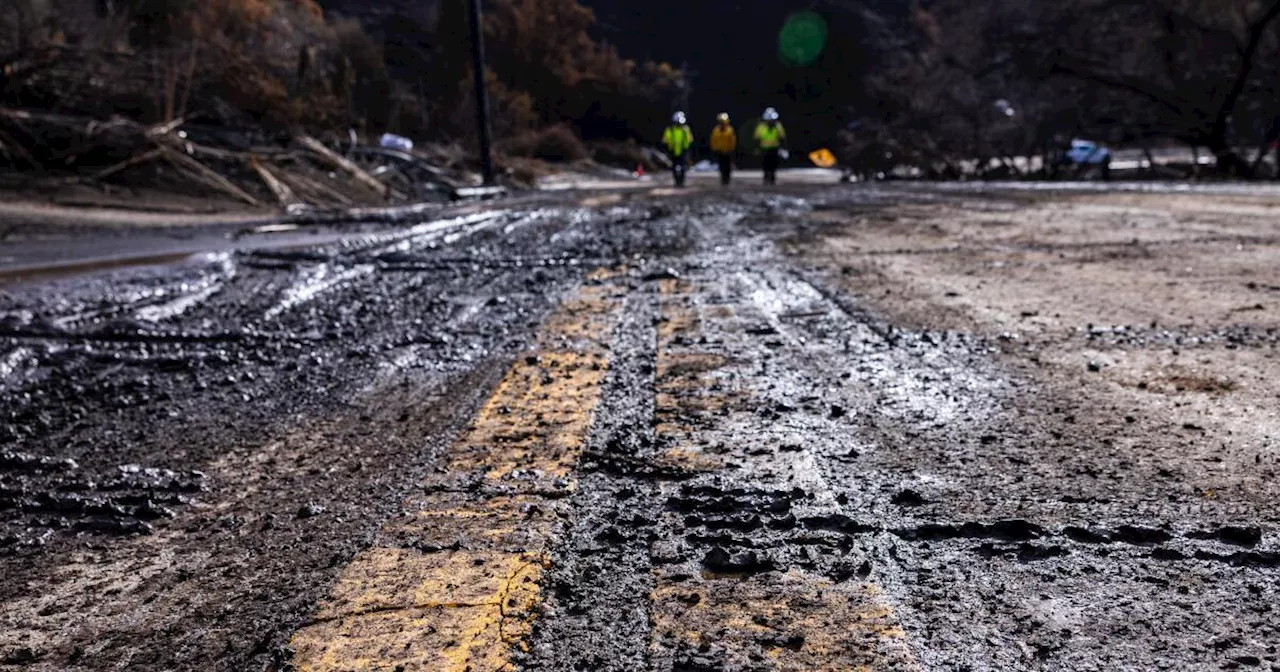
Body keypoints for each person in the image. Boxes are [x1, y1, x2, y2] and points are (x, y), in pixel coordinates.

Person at [754, 107, 787, 185]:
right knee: (765, 165)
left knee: (773, 165)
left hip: (774, 148)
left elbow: (782, 137)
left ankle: (772, 179)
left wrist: (783, 148)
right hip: (764, 149)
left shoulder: (778, 126)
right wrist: (757, 148)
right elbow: (757, 138)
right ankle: (766, 178)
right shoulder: (761, 126)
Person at [661, 112, 694, 187]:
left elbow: (690, 140)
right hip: (673, 151)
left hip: (683, 151)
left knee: (683, 167)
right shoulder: (670, 130)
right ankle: (676, 182)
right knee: (674, 167)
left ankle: (681, 182)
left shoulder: (686, 129)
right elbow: (665, 140)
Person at [709, 112, 737, 186]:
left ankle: (727, 179)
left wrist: (730, 149)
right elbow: (713, 140)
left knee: (727, 167)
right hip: (720, 152)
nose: (722, 123)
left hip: (728, 152)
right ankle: (723, 179)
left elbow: (732, 141)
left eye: (723, 122)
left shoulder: (730, 130)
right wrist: (715, 149)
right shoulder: (716, 130)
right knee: (722, 166)